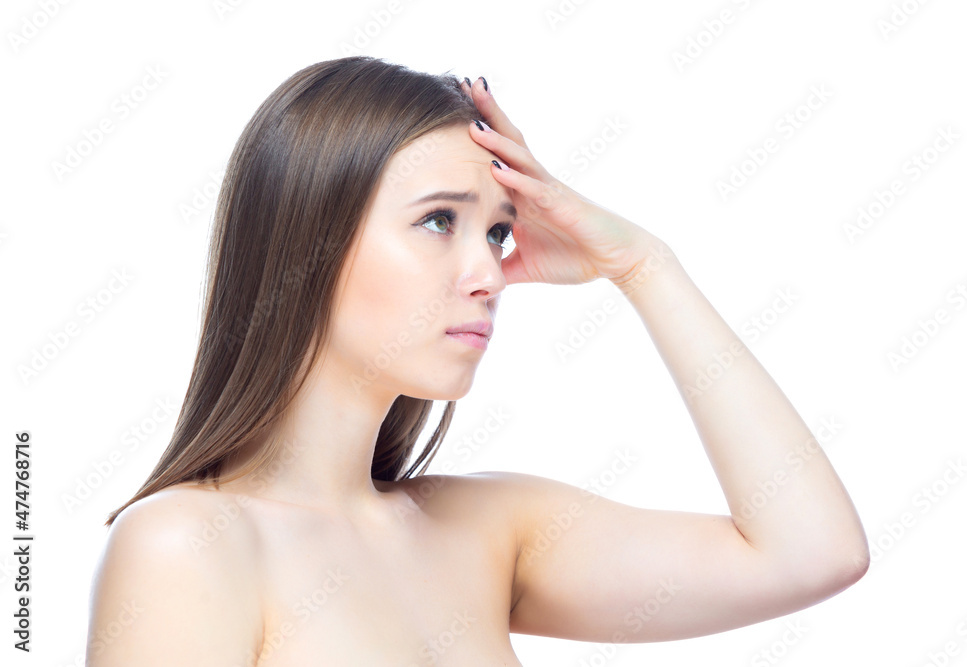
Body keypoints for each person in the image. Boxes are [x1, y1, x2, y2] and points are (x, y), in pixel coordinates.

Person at [85, 56, 869, 666]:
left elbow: (812, 553)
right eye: (437, 221)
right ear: (307, 240)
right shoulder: (188, 543)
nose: (489, 273)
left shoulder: (488, 530)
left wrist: (642, 265)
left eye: (496, 231)